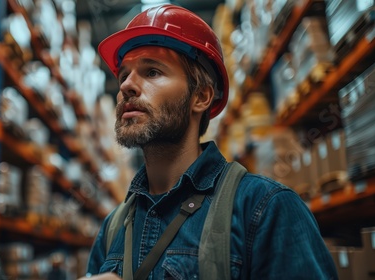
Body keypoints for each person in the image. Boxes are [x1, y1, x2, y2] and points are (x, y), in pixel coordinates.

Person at [79, 4, 338, 280]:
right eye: (123, 75)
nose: (125, 86)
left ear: (201, 97)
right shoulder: (113, 228)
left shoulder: (263, 209)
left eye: (152, 72)